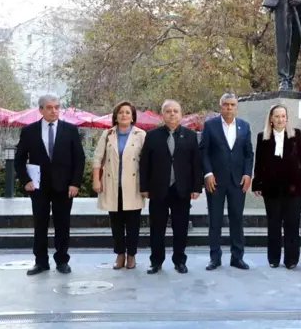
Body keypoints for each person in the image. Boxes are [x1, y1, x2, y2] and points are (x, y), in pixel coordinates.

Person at [14, 94, 86, 275]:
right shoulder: (29, 131)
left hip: (64, 187)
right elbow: (19, 159)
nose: (54, 110)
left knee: (63, 224)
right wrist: (26, 181)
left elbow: (79, 158)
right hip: (39, 187)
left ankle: (62, 260)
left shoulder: (70, 130)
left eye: (56, 107)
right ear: (41, 110)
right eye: (49, 107)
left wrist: (75, 183)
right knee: (40, 225)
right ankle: (41, 262)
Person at [140, 100, 202, 274]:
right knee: (156, 228)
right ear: (163, 115)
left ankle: (179, 261)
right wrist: (144, 187)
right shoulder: (152, 136)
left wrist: (196, 187)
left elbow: (196, 164)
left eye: (176, 111)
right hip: (158, 189)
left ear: (181, 115)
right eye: (168, 111)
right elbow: (145, 164)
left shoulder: (190, 136)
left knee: (181, 228)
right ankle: (156, 261)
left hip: (181, 190)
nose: (172, 114)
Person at [251, 105, 301, 269]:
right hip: (271, 188)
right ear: (271, 118)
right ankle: (273, 258)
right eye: (277, 116)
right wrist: (257, 183)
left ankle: (291, 259)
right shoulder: (262, 137)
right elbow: (259, 163)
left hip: (294, 187)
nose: (280, 120)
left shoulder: (295, 135)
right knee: (274, 224)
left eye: (283, 116)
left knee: (292, 224)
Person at [200, 93, 254, 270]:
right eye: (226, 104)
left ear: (236, 107)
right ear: (220, 105)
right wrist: (207, 173)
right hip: (215, 181)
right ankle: (215, 258)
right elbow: (204, 152)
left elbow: (248, 154)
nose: (229, 108)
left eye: (232, 105)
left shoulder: (244, 127)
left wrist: (248, 174)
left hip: (238, 181)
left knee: (237, 219)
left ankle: (237, 257)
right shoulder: (210, 126)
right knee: (215, 220)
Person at [92, 101, 147, 270]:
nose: (124, 115)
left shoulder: (141, 135)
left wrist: (147, 185)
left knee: (133, 224)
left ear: (132, 117)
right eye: (121, 112)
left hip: (133, 185)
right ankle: (120, 255)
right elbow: (97, 158)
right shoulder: (107, 134)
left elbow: (147, 161)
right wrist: (96, 179)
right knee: (116, 223)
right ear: (115, 116)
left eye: (127, 113)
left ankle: (131, 255)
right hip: (112, 184)